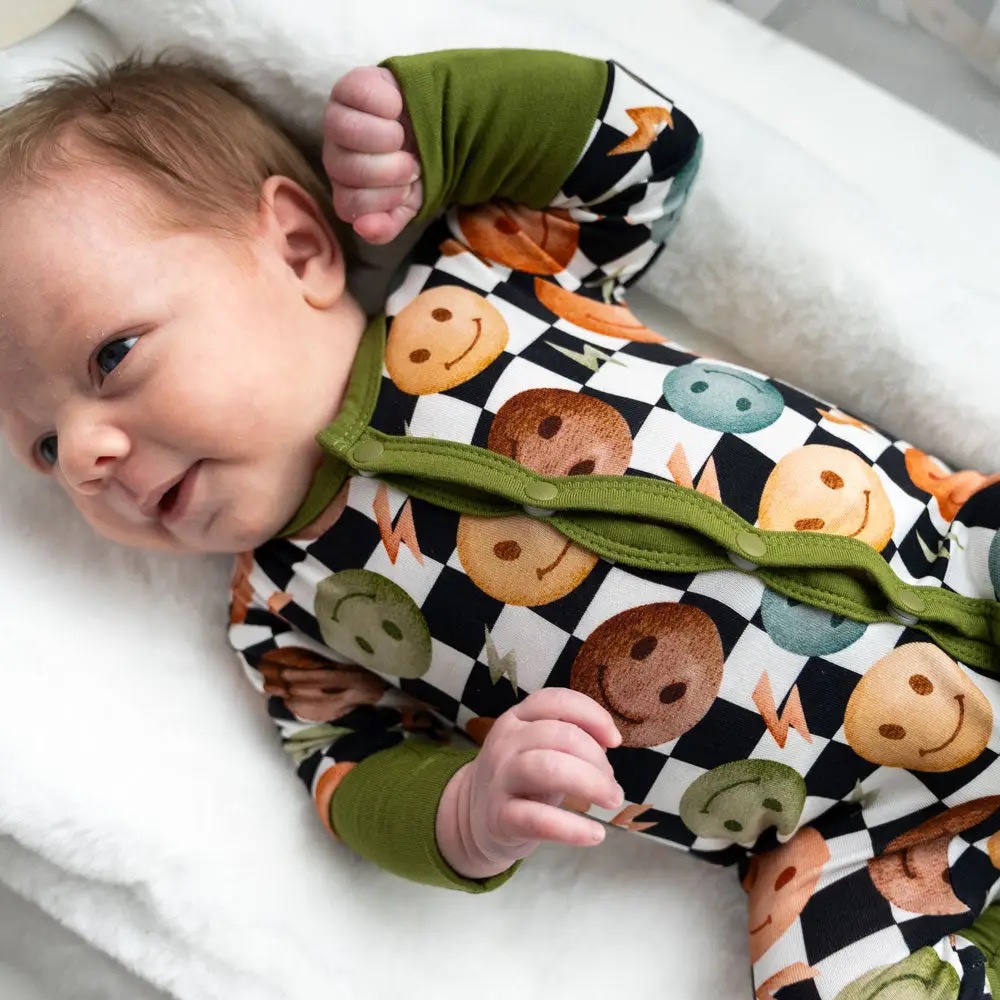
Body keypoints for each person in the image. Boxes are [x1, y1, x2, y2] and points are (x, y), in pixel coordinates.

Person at [1, 47, 999, 1000]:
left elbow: (643, 148)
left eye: (111, 356)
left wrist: (430, 116)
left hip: (961, 549)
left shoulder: (488, 273)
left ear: (300, 246)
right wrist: (467, 808)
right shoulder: (287, 614)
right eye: (43, 449)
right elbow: (354, 774)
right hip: (850, 829)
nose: (85, 456)